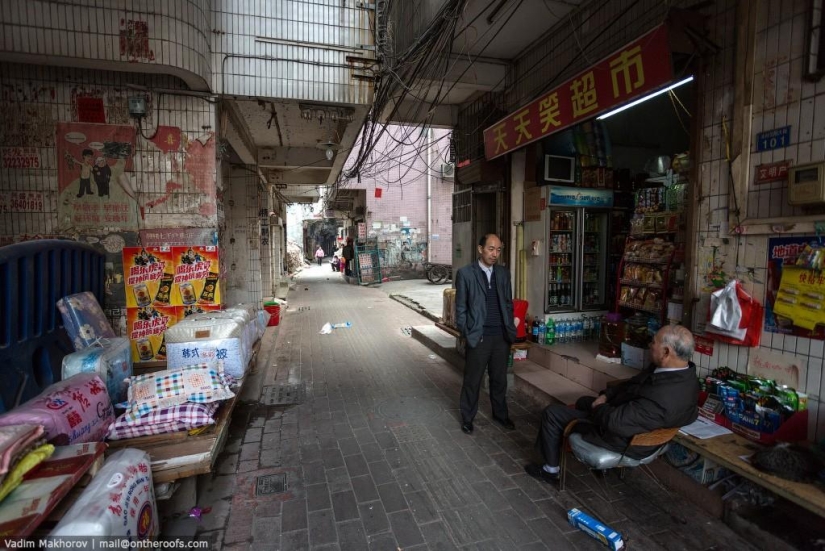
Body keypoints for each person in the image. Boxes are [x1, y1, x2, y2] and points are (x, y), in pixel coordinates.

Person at [525, 325, 700, 485]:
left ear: (666, 352)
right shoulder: (685, 377)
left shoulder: (661, 399)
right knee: (582, 401)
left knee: (552, 413)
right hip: (627, 418)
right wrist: (606, 396)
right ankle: (562, 441)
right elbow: (631, 384)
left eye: (653, 342)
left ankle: (551, 470)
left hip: (621, 439)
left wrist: (598, 407)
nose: (649, 345)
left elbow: (615, 422)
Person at [455, 234, 518, 434]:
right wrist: (468, 332)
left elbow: (508, 303)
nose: (495, 254)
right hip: (479, 336)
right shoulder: (465, 273)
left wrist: (510, 329)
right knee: (472, 380)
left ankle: (501, 414)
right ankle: (467, 418)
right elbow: (461, 308)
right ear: (480, 249)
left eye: (498, 250)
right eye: (491, 249)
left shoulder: (503, 273)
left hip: (500, 337)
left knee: (499, 379)